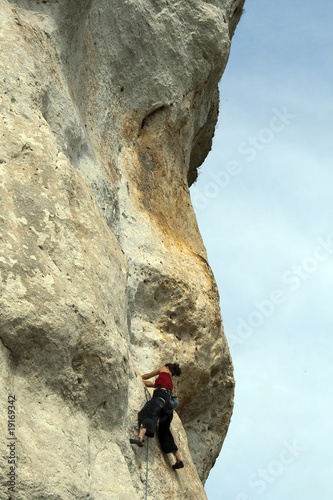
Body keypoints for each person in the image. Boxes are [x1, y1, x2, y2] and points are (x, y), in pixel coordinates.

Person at [130, 363, 184, 469]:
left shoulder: (164, 369)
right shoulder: (168, 382)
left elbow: (147, 376)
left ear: (168, 367)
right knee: (164, 431)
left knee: (148, 412)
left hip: (160, 397)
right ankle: (179, 460)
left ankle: (140, 438)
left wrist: (136, 376)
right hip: (168, 405)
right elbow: (150, 383)